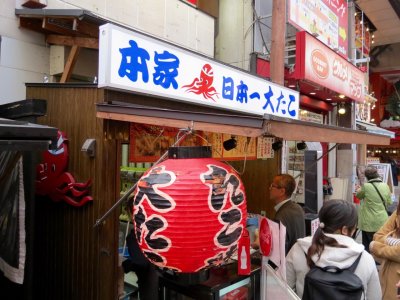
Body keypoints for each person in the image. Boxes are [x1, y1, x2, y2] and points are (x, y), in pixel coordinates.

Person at [286, 199, 381, 299]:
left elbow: (284, 288)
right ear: (344, 230)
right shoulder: (364, 258)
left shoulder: (300, 248)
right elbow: (374, 296)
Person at [356, 165, 392, 253]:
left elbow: (358, 196)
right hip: (382, 220)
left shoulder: (366, 186)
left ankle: (368, 262)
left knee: (367, 245)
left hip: (368, 221)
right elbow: (389, 202)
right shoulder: (385, 186)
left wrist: (359, 190)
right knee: (379, 243)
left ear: (367, 176)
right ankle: (378, 261)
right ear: (377, 174)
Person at [370, 201, 400, 300]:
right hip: (385, 282)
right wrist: (395, 243)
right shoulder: (397, 213)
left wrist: (376, 246)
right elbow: (377, 237)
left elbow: (375, 244)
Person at [270, 174, 306, 255]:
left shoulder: (281, 217)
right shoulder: (298, 208)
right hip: (298, 260)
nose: (270, 188)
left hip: (288, 264)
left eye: (272, 186)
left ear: (282, 191)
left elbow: (279, 252)